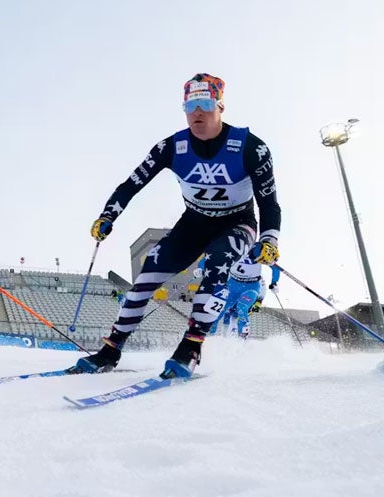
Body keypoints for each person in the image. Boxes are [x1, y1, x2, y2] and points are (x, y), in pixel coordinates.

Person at [72, 73, 281, 378]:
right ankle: (110, 350)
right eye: (191, 104)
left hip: (237, 222)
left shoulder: (251, 147)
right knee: (147, 275)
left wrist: (270, 239)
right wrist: (107, 216)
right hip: (193, 223)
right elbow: (131, 184)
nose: (197, 111)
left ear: (220, 106)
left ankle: (190, 348)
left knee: (218, 261)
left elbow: (269, 202)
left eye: (206, 103)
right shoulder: (171, 146)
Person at [211, 255, 281, 339]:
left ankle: (242, 337)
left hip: (248, 291)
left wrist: (259, 301)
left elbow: (264, 288)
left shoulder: (257, 257)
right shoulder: (234, 253)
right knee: (221, 311)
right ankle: (216, 335)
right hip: (233, 289)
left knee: (241, 308)